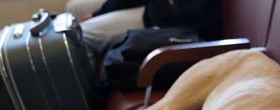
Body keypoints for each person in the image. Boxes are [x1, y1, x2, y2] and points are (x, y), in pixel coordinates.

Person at [65, 0, 221, 65]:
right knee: (75, 7)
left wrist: (98, 14)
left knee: (80, 36)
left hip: (169, 18)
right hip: (157, 5)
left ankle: (89, 109)